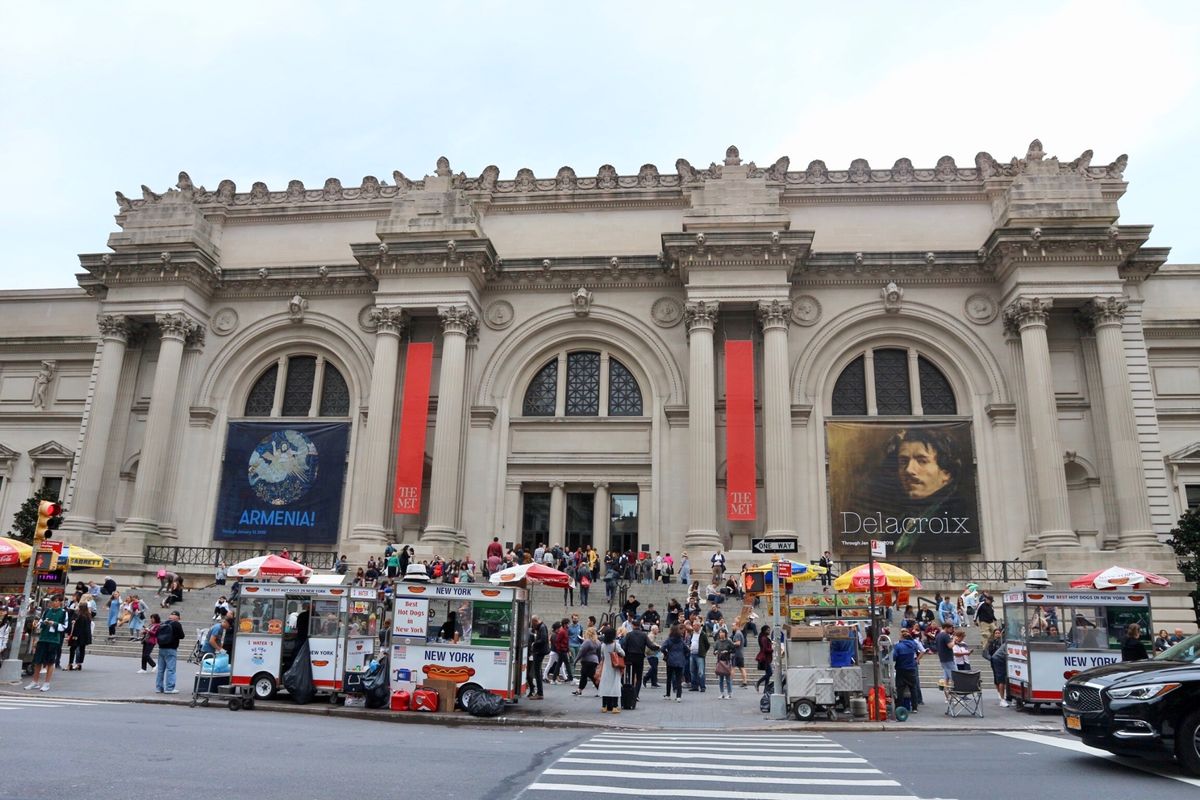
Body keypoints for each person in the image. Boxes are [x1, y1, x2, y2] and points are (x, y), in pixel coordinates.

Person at [874, 428, 974, 555]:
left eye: (922, 461)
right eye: (903, 462)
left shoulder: (962, 517)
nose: (909, 470)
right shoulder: (900, 523)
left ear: (947, 472)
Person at [26, 595, 67, 692]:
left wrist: (54, 624)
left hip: (54, 639)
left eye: (57, 601)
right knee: (38, 661)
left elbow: (65, 626)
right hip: (43, 638)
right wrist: (43, 623)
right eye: (53, 601)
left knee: (50, 662)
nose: (54, 603)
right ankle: (35, 682)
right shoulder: (47, 611)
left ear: (60, 602)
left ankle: (47, 683)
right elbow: (40, 623)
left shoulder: (63, 612)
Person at [621, 621, 656, 697]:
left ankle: (630, 692)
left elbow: (624, 646)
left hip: (630, 658)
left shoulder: (629, 634)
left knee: (631, 676)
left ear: (633, 625)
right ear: (639, 626)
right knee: (639, 677)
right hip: (639, 657)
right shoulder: (643, 635)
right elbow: (650, 645)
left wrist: (624, 656)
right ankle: (636, 694)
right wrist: (657, 647)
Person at [892, 628, 922, 712]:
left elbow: (894, 657)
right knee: (913, 688)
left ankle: (899, 707)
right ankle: (915, 707)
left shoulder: (898, 646)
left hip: (901, 669)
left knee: (900, 689)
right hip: (911, 668)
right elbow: (919, 651)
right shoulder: (913, 644)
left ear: (902, 638)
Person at [155, 610, 185, 694]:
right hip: (171, 649)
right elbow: (182, 636)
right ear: (178, 617)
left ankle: (159, 688)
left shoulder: (163, 623)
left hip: (161, 648)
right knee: (171, 669)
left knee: (160, 670)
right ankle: (169, 688)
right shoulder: (177, 624)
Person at [597, 626, 625, 713]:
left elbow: (602, 656)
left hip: (606, 668)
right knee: (615, 686)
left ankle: (604, 706)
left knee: (605, 686)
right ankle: (615, 707)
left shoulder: (603, 645)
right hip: (614, 668)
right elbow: (623, 653)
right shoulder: (616, 645)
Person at [660, 624, 688, 702]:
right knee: (679, 679)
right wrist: (683, 655)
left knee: (669, 678)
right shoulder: (681, 640)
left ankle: (668, 694)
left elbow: (662, 648)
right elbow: (687, 650)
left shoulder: (669, 640)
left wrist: (666, 654)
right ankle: (678, 696)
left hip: (670, 661)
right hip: (680, 661)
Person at [573, 627, 601, 696]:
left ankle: (601, 690)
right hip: (594, 661)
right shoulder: (598, 642)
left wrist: (576, 660)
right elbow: (599, 653)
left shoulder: (587, 641)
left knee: (590, 676)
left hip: (586, 661)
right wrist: (599, 662)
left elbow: (581, 652)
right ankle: (579, 690)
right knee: (586, 675)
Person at [984, 627, 1008, 706]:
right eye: (996, 633)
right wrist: (991, 659)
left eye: (999, 633)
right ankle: (1000, 695)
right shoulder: (991, 642)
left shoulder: (1003, 641)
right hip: (996, 661)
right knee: (998, 678)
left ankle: (1003, 695)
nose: (997, 634)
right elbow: (985, 652)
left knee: (1001, 678)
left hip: (1002, 661)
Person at [66, 600, 92, 671]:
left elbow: (77, 627)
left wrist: (73, 635)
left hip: (77, 635)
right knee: (82, 649)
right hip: (85, 635)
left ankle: (70, 664)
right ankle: (79, 664)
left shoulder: (79, 615)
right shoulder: (88, 615)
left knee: (72, 649)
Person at [527, 615, 548, 700]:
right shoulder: (541, 627)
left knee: (537, 673)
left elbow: (543, 639)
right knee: (537, 672)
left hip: (539, 652)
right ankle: (539, 692)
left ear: (535, 621)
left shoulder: (542, 627)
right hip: (539, 652)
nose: (533, 625)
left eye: (533, 623)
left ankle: (539, 693)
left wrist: (534, 643)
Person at [712, 628, 734, 699]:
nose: (721, 634)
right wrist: (715, 652)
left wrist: (727, 651)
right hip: (720, 661)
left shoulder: (728, 641)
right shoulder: (717, 642)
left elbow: (733, 649)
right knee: (720, 679)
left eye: (722, 632)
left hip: (727, 661)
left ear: (725, 633)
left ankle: (729, 694)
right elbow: (714, 650)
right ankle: (722, 693)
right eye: (720, 632)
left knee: (728, 679)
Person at [688, 621, 709, 693]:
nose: (693, 626)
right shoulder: (692, 634)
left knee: (701, 671)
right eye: (693, 625)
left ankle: (702, 686)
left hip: (699, 655)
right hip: (692, 654)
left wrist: (703, 651)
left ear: (698, 626)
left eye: (694, 625)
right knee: (692, 671)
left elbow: (707, 644)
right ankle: (694, 686)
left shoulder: (703, 634)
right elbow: (691, 642)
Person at [934, 622, 956, 690]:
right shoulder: (945, 635)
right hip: (948, 658)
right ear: (946, 628)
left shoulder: (938, 635)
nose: (951, 630)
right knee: (954, 676)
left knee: (946, 677)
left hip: (942, 658)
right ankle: (955, 692)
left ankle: (947, 694)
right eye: (950, 628)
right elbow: (950, 646)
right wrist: (954, 640)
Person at [755, 625, 773, 692]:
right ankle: (758, 682)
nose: (769, 631)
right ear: (764, 630)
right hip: (765, 658)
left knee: (768, 674)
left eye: (769, 630)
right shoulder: (764, 638)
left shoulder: (765, 638)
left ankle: (766, 689)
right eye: (768, 630)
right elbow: (765, 649)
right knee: (770, 673)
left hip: (767, 658)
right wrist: (772, 649)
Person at [731, 623, 749, 688]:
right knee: (741, 668)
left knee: (732, 668)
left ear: (737, 626)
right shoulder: (739, 633)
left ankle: (729, 682)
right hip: (740, 653)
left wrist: (731, 644)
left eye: (733, 626)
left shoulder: (737, 634)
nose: (732, 627)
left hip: (736, 653)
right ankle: (745, 682)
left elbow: (738, 643)